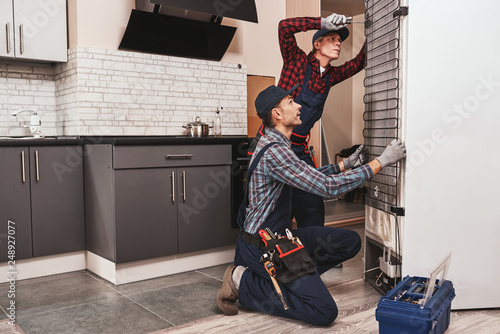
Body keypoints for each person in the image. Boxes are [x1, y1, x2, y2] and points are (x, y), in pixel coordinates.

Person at [217, 85, 406, 326]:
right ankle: (243, 280)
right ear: (276, 114)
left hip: (281, 238)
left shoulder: (276, 144)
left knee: (350, 242)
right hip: (264, 248)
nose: (298, 106)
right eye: (291, 101)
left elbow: (308, 176)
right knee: (323, 311)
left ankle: (294, 280)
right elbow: (327, 187)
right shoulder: (276, 152)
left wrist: (345, 164)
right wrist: (381, 162)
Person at [249, 13, 367, 228]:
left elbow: (359, 62)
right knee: (275, 207)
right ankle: (271, 255)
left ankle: (316, 252)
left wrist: (375, 27)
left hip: (300, 149)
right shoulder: (297, 61)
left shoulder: (331, 76)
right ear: (317, 43)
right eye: (332, 38)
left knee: (312, 202)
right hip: (274, 145)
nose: (338, 44)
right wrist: (322, 22)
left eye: (340, 41)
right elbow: (284, 27)